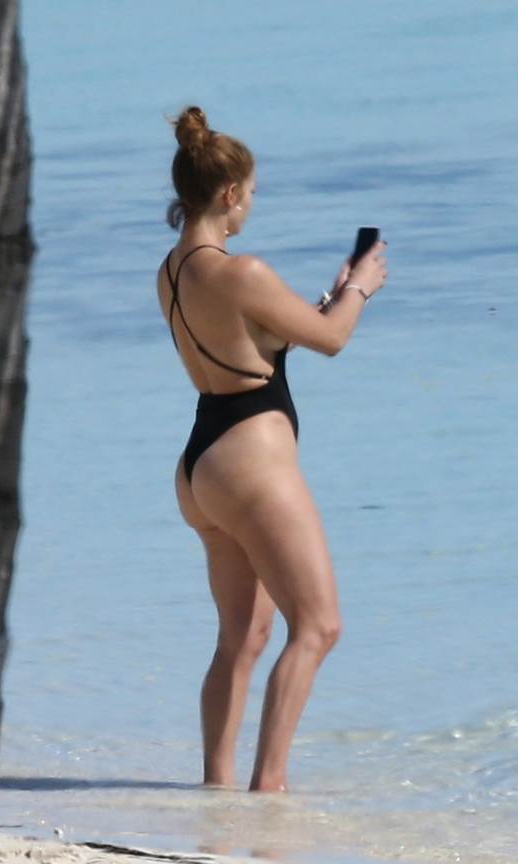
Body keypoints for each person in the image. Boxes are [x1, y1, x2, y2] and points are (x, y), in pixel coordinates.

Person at [155, 106, 387, 792]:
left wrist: (332, 296)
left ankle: (217, 792)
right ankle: (270, 790)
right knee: (317, 627)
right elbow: (332, 339)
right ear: (229, 193)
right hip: (250, 464)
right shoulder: (243, 270)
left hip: (201, 465)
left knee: (243, 636)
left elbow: (254, 340)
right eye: (251, 193)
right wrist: (361, 289)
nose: (251, 205)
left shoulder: (171, 271)